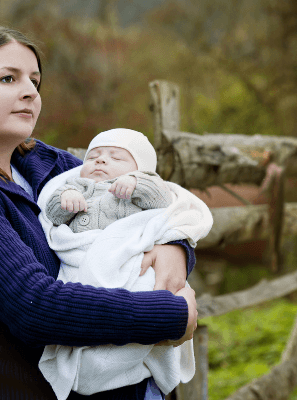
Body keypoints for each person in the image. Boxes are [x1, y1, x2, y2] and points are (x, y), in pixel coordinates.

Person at [0, 24, 198, 400]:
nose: (29, 92)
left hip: (137, 386)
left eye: (35, 81)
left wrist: (175, 246)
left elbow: (159, 201)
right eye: (8, 78)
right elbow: (35, 307)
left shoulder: (48, 166)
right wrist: (171, 316)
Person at [38, 128, 213, 400]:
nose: (100, 161)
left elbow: (162, 202)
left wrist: (136, 182)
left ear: (139, 167)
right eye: (93, 156)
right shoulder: (77, 186)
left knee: (145, 289)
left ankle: (133, 362)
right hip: (83, 264)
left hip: (128, 260)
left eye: (116, 157)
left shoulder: (143, 182)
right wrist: (65, 201)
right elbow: (52, 215)